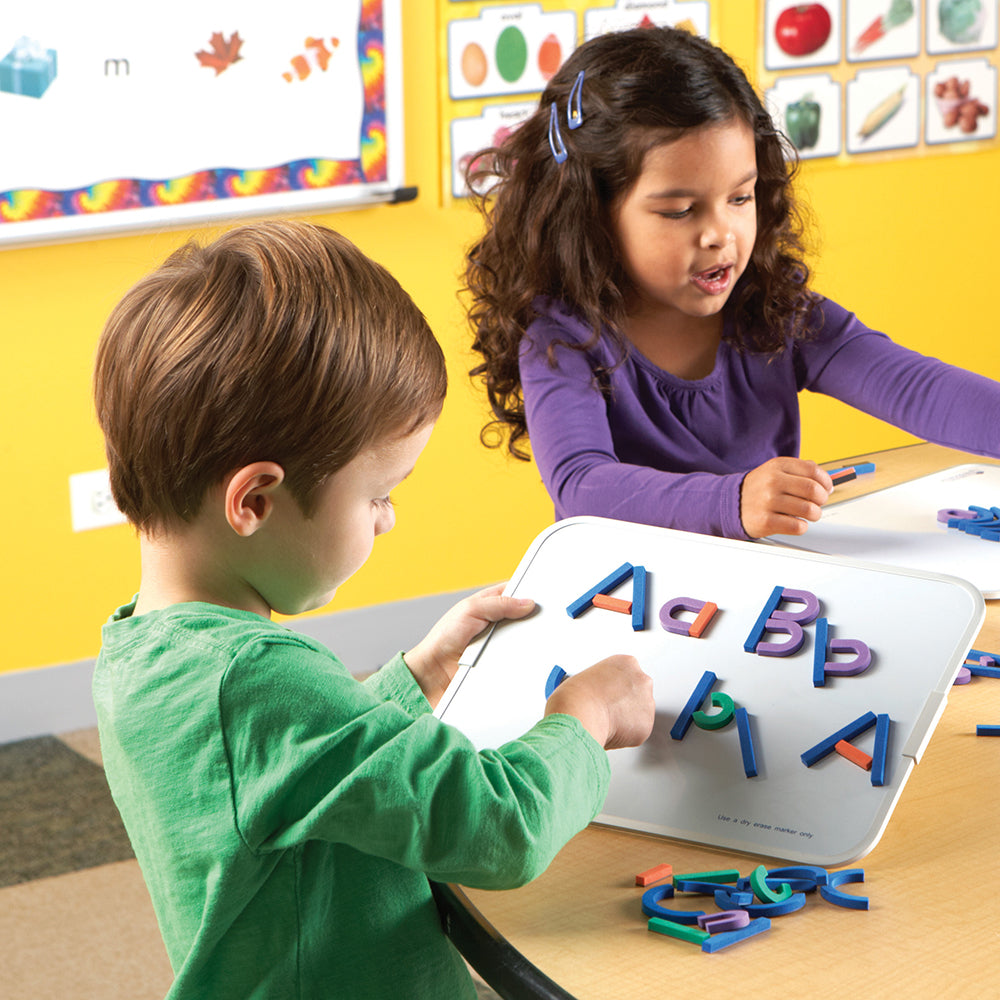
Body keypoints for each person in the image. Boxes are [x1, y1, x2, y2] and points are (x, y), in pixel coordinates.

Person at [91, 220, 655, 999]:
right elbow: (497, 829)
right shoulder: (259, 679)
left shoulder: (140, 648)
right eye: (378, 494)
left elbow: (293, 774)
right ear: (255, 499)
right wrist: (582, 720)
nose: (389, 520)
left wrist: (416, 675)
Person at [464, 27, 1000, 540]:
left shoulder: (771, 309)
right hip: (623, 600)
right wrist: (732, 500)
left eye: (740, 198)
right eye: (679, 210)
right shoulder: (561, 338)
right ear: (591, 214)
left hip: (759, 592)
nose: (721, 234)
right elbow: (582, 485)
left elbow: (914, 387)